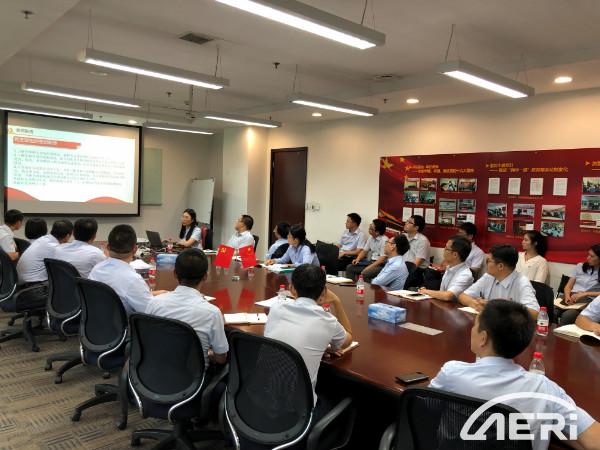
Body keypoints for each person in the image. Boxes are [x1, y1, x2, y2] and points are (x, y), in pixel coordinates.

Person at [430, 300, 599, 450]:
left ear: (483, 338)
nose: (471, 330)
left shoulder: (452, 374)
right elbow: (594, 440)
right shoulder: (544, 389)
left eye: (474, 326)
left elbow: (427, 408)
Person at [264, 264, 352, 411]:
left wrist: (319, 345)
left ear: (291, 288)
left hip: (262, 398)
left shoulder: (276, 309)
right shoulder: (326, 320)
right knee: (337, 398)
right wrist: (337, 301)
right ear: (324, 292)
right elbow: (347, 340)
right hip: (298, 412)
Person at [146, 249, 228, 367]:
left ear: (175, 273)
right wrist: (208, 353)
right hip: (192, 377)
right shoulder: (212, 313)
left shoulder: (154, 303)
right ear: (205, 276)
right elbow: (221, 359)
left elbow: (147, 340)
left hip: (152, 370)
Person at [89, 224, 167, 315]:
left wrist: (153, 294)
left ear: (108, 247)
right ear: (135, 249)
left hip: (97, 320)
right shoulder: (133, 279)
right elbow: (151, 312)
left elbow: (121, 294)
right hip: (124, 323)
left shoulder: (96, 269)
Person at [458, 244, 540, 318]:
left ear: (500, 266)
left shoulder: (522, 282)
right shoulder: (488, 277)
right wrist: (474, 304)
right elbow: (462, 296)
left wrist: (498, 306)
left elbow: (535, 313)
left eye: (488, 261)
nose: (486, 264)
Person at [17, 220, 73, 285]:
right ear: (68, 236)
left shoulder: (43, 239)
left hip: (21, 282)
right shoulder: (55, 248)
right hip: (33, 286)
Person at [418, 235, 473, 301]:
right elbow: (442, 292)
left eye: (446, 248)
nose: (444, 250)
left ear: (455, 254)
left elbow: (448, 296)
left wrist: (425, 291)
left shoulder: (465, 275)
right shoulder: (449, 267)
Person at [559, 244, 600, 325]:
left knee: (567, 316)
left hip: (588, 300)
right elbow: (568, 286)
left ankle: (560, 333)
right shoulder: (580, 266)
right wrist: (567, 296)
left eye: (592, 256)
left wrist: (586, 293)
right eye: (588, 255)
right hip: (571, 296)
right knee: (551, 309)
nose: (588, 258)